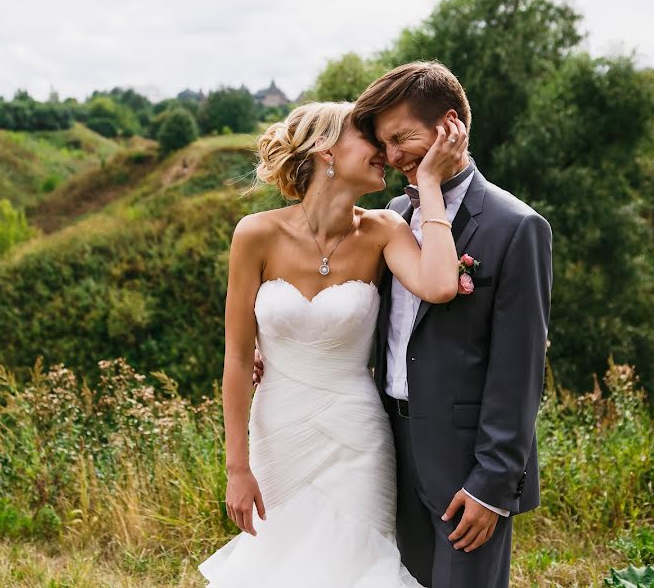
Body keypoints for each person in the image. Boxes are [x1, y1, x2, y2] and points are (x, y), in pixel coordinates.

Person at [254, 61, 554, 587]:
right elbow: (351, 308)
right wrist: (280, 346)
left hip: (466, 466)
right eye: (383, 144)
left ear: (449, 126)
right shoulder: (394, 214)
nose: (392, 157)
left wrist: (492, 483)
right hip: (382, 447)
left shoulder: (516, 227)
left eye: (401, 139)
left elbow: (520, 370)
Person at [198, 100, 466, 587]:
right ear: (326, 150)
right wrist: (236, 468)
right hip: (278, 433)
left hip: (358, 437)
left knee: (359, 564)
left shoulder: (384, 230)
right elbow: (237, 360)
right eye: (368, 137)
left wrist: (427, 184)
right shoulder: (255, 235)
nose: (384, 150)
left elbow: (441, 284)